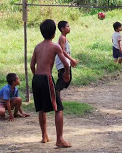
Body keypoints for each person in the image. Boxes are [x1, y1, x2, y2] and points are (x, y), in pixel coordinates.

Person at [30, 19, 71, 148]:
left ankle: (44, 136)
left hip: (36, 78)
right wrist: (67, 73)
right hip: (46, 78)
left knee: (42, 108)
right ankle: (60, 139)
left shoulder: (37, 46)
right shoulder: (55, 46)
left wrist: (36, 76)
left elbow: (32, 65)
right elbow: (65, 63)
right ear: (54, 33)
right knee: (58, 108)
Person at [55, 20, 78, 99]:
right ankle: (56, 94)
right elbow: (62, 51)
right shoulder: (62, 38)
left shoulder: (64, 38)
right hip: (62, 62)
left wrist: (70, 60)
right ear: (62, 29)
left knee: (67, 79)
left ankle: (57, 94)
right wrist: (71, 59)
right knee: (62, 78)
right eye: (67, 26)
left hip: (65, 62)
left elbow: (66, 51)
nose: (69, 28)